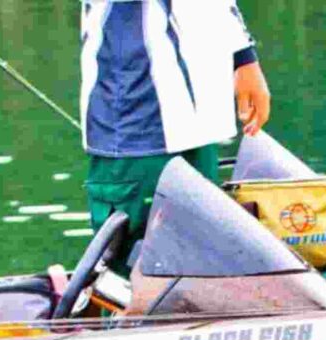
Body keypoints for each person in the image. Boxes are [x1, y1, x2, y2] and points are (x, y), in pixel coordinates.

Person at [80, 0, 272, 274]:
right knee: (132, 289)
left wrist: (243, 56)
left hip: (198, 127)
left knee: (201, 277)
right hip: (137, 129)